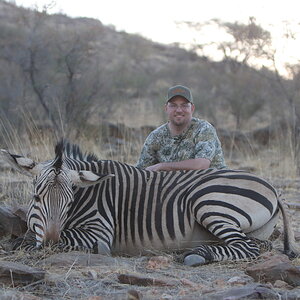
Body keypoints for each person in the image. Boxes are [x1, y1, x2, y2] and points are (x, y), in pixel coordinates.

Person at [136, 85, 226, 171]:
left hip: (215, 183)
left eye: (184, 105)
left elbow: (201, 165)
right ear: (166, 108)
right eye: (173, 105)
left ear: (192, 108)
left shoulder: (204, 129)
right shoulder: (155, 136)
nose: (179, 110)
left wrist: (162, 166)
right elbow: (141, 171)